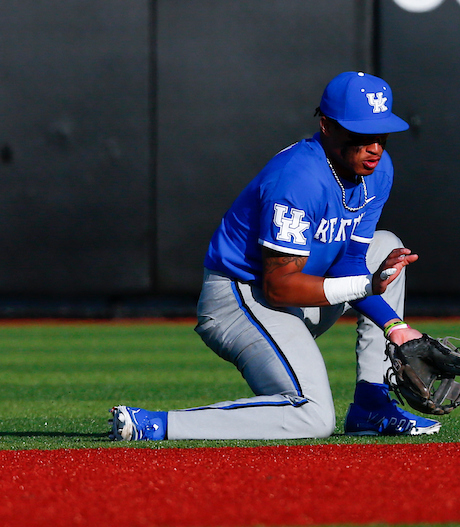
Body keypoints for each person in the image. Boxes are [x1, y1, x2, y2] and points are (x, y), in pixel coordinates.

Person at [110, 71, 440, 440]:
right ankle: (155, 424)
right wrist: (367, 285)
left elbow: (350, 262)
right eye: (361, 135)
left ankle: (371, 404)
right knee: (313, 417)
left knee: (385, 247)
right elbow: (279, 288)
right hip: (242, 299)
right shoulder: (298, 177)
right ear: (327, 126)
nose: (374, 147)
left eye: (381, 134)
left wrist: (395, 327)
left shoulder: (377, 172)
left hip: (299, 294)